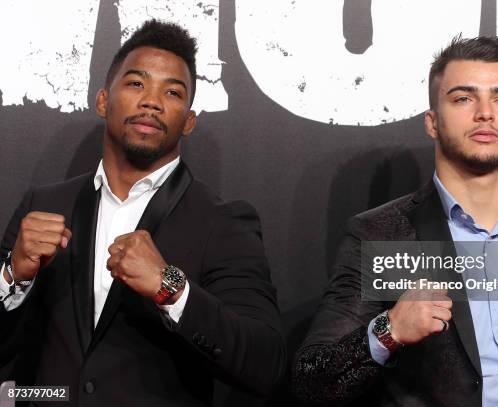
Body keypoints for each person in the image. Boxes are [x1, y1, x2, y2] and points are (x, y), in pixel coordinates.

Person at [293, 36, 498, 406]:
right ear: (432, 122)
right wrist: (389, 330)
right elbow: (311, 384)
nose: (485, 112)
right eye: (463, 98)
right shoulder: (382, 235)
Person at [0, 20, 285, 406]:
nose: (152, 101)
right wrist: (12, 275)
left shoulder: (224, 223)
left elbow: (264, 363)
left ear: (189, 120)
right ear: (103, 101)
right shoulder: (44, 204)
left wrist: (171, 287)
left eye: (172, 91)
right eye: (136, 83)